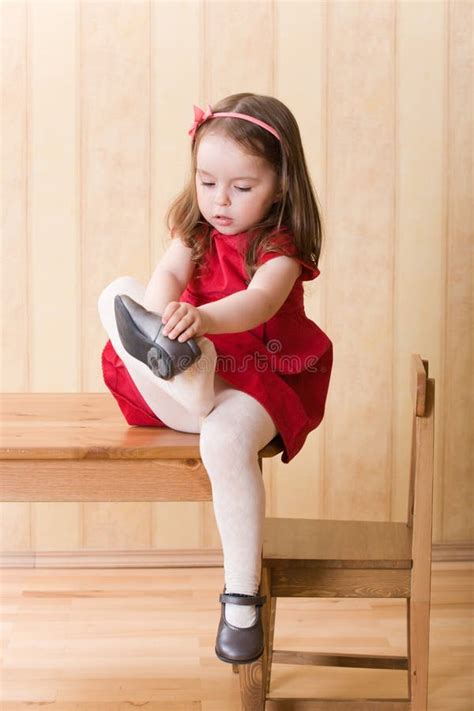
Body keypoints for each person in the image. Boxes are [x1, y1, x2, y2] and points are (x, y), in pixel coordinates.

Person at [97, 92, 333, 665]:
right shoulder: (194, 229)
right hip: (185, 379)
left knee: (223, 438)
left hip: (255, 379)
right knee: (117, 293)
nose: (219, 201)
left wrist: (199, 320)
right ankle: (178, 364)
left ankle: (240, 599)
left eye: (241, 188)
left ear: (279, 185)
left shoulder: (279, 248)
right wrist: (161, 323)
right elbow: (166, 275)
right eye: (207, 183)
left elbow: (256, 303)